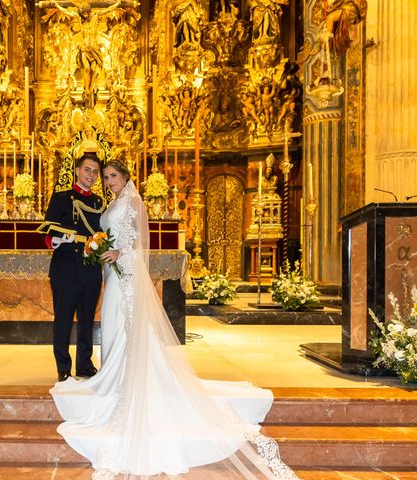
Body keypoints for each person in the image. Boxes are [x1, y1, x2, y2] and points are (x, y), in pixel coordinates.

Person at [51, 160, 298, 479]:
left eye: (113, 176)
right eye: (105, 176)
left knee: (124, 322)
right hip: (112, 272)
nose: (108, 180)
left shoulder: (134, 201)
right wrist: (103, 250)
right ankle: (115, 374)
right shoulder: (109, 202)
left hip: (125, 272)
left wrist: (118, 254)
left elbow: (142, 242)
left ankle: (129, 378)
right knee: (113, 323)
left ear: (126, 177)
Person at [41, 153, 105, 382]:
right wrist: (60, 240)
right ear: (77, 171)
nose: (91, 175)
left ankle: (85, 364)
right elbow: (47, 232)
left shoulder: (99, 202)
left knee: (87, 319)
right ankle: (63, 366)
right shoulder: (61, 197)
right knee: (64, 320)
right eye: (87, 170)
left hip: (90, 269)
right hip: (65, 269)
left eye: (96, 172)